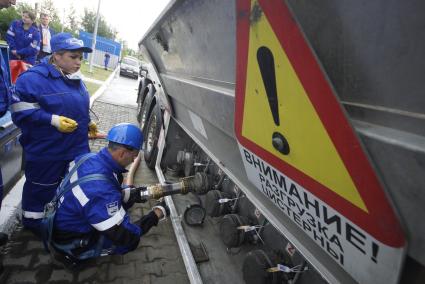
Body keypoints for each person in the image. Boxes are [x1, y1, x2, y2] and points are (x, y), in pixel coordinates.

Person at [45, 123, 168, 268]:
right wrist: (156, 214)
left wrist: (144, 193)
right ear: (122, 153)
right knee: (129, 243)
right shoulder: (100, 191)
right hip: (70, 238)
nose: (134, 161)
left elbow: (113, 193)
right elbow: (126, 235)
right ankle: (73, 255)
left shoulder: (88, 158)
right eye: (134, 156)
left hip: (64, 219)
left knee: (115, 206)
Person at [11, 32, 98, 235]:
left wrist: (88, 123)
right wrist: (52, 120)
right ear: (56, 56)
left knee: (67, 187)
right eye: (73, 57)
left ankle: (56, 219)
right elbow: (19, 110)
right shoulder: (32, 79)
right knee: (41, 188)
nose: (78, 63)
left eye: (80, 58)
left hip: (74, 149)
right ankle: (32, 224)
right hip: (47, 151)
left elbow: (74, 107)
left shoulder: (74, 78)